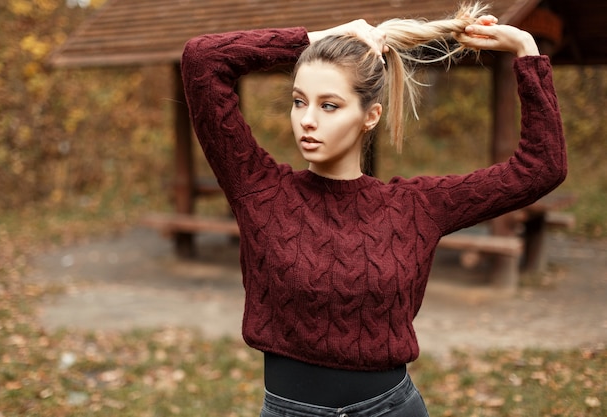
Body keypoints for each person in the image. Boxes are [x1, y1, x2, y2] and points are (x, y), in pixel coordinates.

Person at [181, 2, 567, 415]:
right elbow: (203, 60)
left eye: (329, 105)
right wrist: (319, 37)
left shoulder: (416, 208)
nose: (307, 120)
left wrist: (527, 50)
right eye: (299, 101)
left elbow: (541, 167)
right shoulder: (260, 191)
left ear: (371, 116)